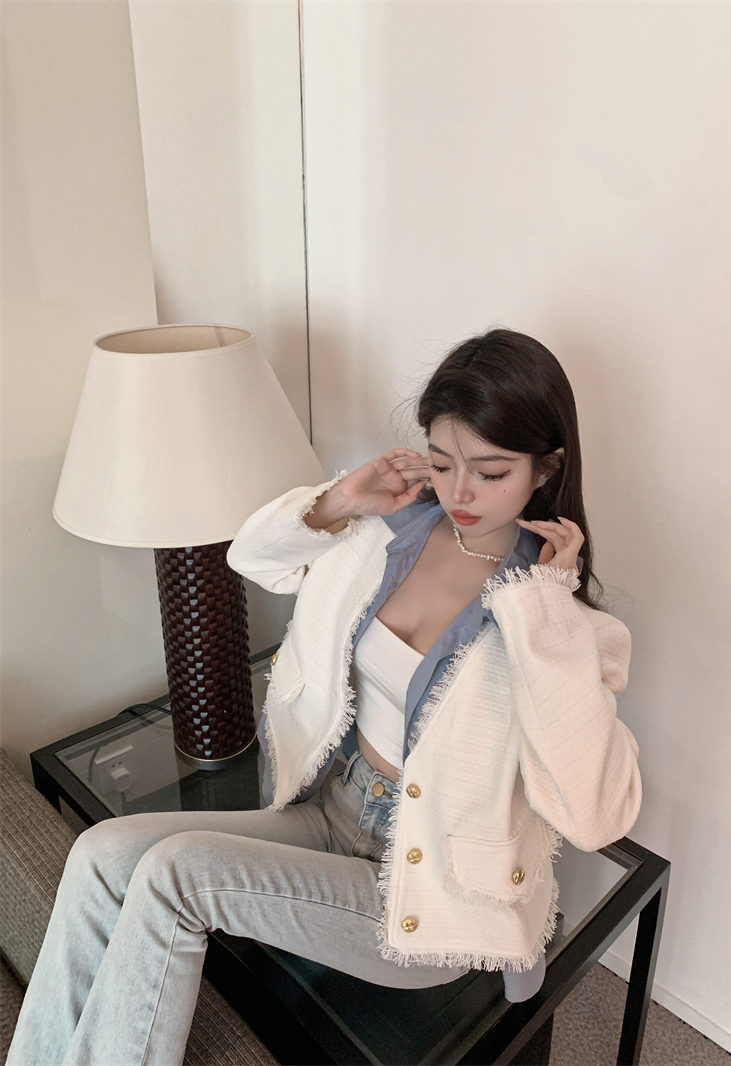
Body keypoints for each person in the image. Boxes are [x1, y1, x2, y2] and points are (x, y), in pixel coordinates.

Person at [8, 328, 642, 1066]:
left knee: (174, 876)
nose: (460, 492)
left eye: (492, 471)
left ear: (547, 467)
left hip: (429, 889)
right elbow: (253, 558)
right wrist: (339, 500)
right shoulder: (390, 530)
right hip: (333, 812)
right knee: (100, 853)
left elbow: (596, 815)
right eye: (442, 462)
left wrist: (547, 608)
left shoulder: (564, 624)